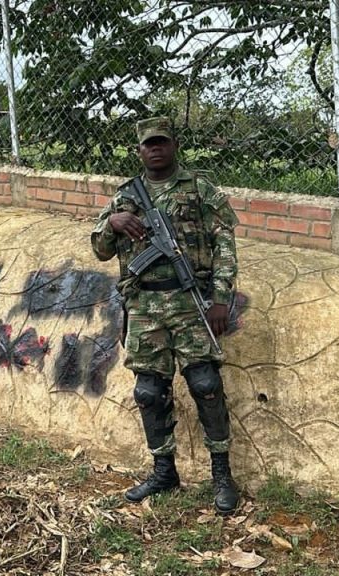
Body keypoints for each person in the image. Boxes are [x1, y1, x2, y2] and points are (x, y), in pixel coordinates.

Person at [91, 117, 241, 515]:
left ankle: (222, 474)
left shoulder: (200, 190)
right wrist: (113, 223)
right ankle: (163, 472)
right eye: (148, 144)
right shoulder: (124, 197)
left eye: (162, 142)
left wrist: (221, 299)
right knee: (148, 392)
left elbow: (225, 245)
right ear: (139, 150)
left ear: (174, 146)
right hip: (143, 306)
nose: (155, 149)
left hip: (191, 303)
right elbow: (100, 250)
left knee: (206, 384)